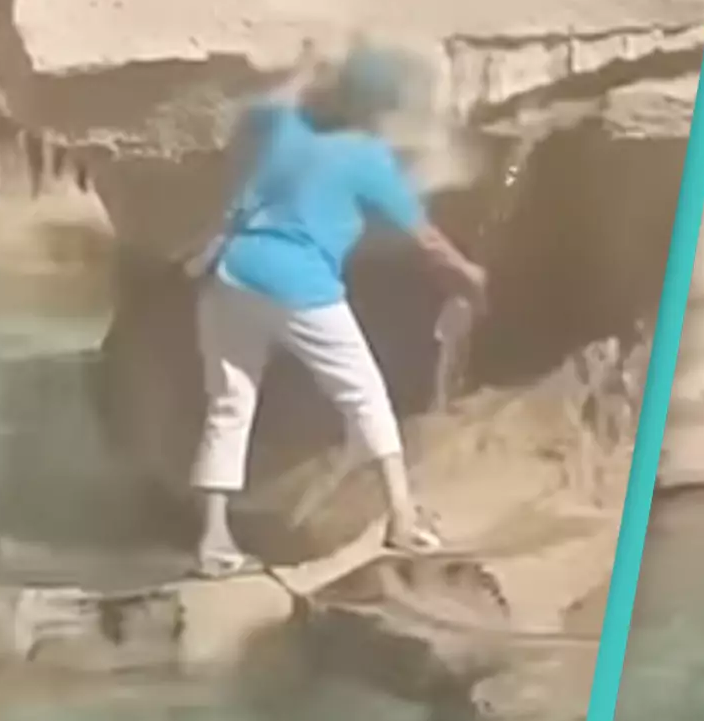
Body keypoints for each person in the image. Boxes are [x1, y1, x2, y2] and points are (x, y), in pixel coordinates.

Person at [186, 40, 487, 578]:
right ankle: (402, 517)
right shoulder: (367, 158)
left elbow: (272, 101)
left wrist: (306, 66)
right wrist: (470, 275)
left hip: (232, 272)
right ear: (379, 109)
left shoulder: (287, 130)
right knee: (365, 393)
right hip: (298, 282)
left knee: (230, 405)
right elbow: (428, 241)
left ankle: (213, 541)